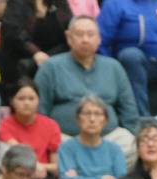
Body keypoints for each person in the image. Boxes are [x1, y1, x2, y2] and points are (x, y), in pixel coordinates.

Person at [34, 16, 139, 164]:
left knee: (132, 145)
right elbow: (40, 112)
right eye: (79, 34)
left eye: (90, 34)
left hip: (109, 137)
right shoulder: (51, 67)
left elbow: (129, 110)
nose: (85, 39)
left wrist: (134, 132)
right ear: (69, 37)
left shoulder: (113, 67)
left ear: (99, 39)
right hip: (66, 137)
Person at [0, 0, 71, 97]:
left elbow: (70, 26)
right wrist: (35, 52)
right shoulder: (16, 3)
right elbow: (12, 32)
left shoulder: (59, 2)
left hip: (55, 62)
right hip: (22, 65)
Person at [0, 79, 61, 179]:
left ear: (38, 100)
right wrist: (36, 167)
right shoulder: (3, 125)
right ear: (11, 101)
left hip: (43, 177)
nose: (27, 103)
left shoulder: (51, 125)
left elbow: (56, 167)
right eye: (21, 99)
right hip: (14, 176)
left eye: (31, 99)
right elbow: (20, 155)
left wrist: (41, 167)